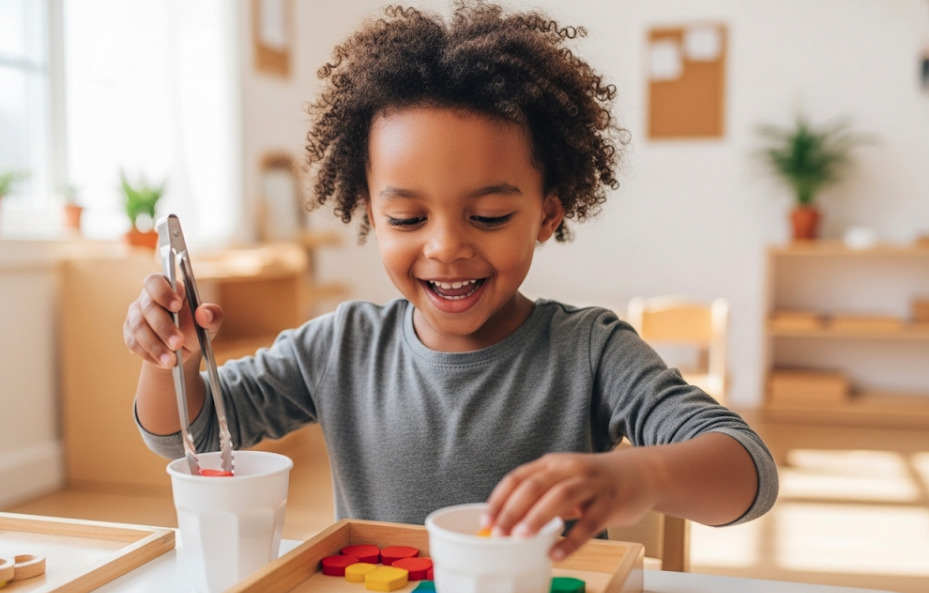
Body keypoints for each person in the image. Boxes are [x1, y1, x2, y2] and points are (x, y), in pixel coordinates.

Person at [124, 0, 777, 561]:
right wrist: (168, 361)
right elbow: (197, 433)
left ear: (547, 213)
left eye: (488, 215)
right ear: (371, 213)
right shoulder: (339, 347)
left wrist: (641, 474)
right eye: (407, 217)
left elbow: (749, 471)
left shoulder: (590, 352)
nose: (445, 246)